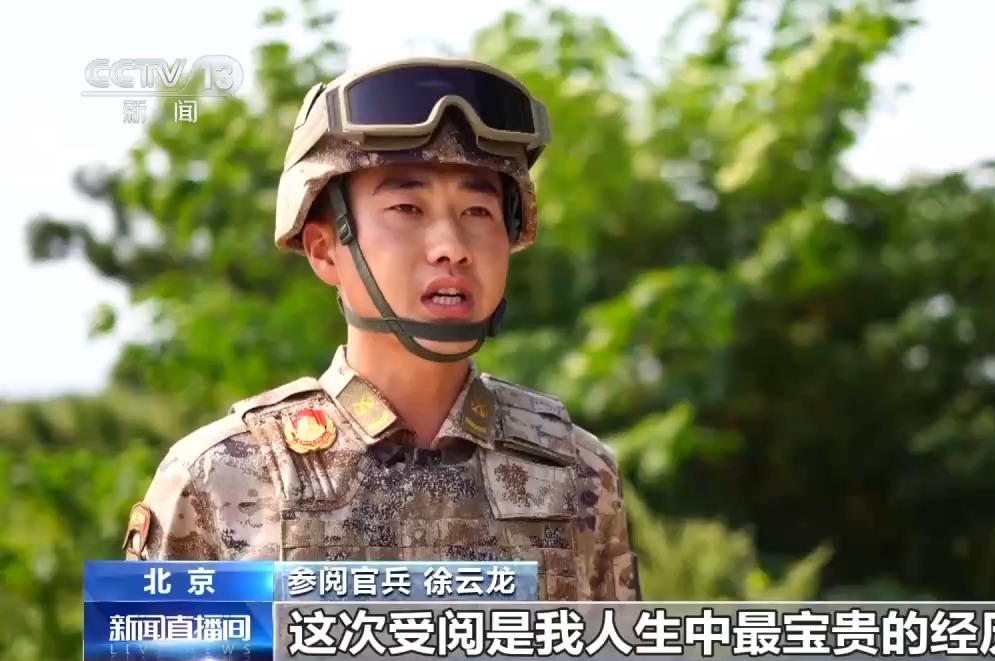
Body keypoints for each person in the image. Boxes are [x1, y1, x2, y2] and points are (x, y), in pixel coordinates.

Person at [119, 57, 641, 601]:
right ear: (325, 250)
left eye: (477, 211)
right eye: (407, 208)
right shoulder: (214, 478)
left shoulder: (580, 472)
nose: (451, 247)